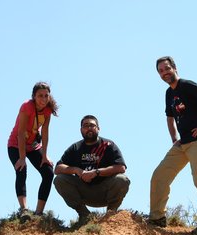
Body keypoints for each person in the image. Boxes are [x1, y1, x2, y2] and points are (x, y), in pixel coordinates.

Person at [149, 56, 197, 235]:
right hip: (182, 143)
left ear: (175, 68)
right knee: (159, 176)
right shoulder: (169, 93)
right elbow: (170, 117)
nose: (165, 73)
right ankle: (157, 218)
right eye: (161, 71)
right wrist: (173, 138)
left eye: (167, 68)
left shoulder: (186, 85)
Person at [54, 115, 130, 224]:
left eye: (92, 125)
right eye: (85, 126)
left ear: (98, 128)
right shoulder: (75, 148)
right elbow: (58, 169)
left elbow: (121, 167)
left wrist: (96, 172)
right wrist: (77, 170)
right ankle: (84, 215)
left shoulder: (108, 145)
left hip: (105, 190)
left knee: (122, 179)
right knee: (60, 179)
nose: (89, 128)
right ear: (81, 130)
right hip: (84, 191)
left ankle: (110, 215)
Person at [7, 82, 59, 218]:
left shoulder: (47, 110)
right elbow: (20, 132)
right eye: (40, 96)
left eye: (46, 96)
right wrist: (22, 158)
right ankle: (24, 210)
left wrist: (45, 156)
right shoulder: (27, 107)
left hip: (33, 145)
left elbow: (46, 133)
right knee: (21, 170)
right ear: (34, 96)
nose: (43, 99)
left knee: (48, 173)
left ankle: (38, 212)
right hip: (16, 144)